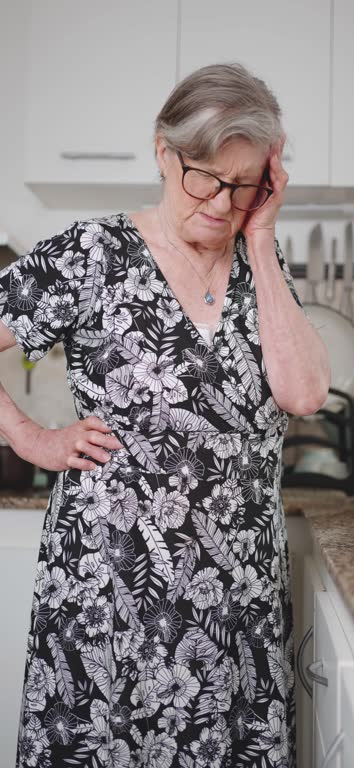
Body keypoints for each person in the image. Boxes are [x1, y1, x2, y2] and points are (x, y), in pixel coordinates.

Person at [0, 63, 330, 768]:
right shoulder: (91, 254)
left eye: (243, 184)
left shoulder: (258, 266)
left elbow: (304, 394)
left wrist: (264, 240)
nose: (220, 202)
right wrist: (30, 436)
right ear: (163, 151)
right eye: (205, 176)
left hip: (235, 607)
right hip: (106, 603)